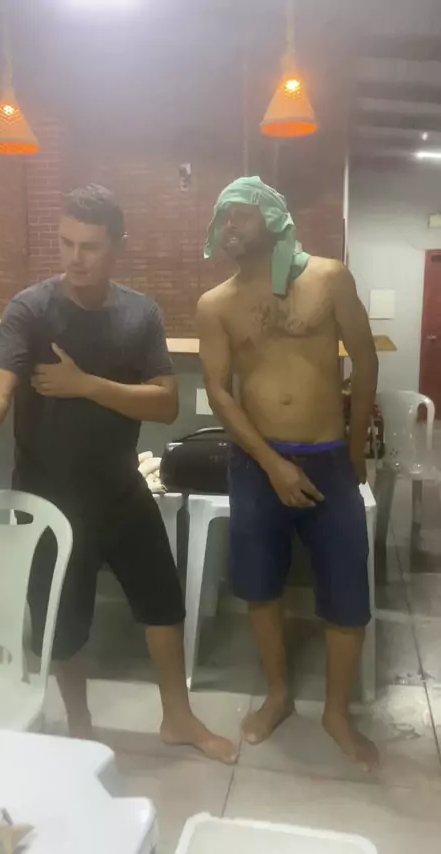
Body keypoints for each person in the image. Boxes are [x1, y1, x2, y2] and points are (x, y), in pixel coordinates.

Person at [0, 184, 237, 764]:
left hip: (120, 489)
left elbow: (165, 403)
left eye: (89, 246)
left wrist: (85, 385)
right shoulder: (31, 310)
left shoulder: (139, 313)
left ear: (118, 247)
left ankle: (178, 718)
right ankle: (81, 726)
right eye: (65, 243)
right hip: (51, 500)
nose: (74, 257)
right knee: (63, 628)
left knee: (163, 604)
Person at [197, 176, 379, 771]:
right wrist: (271, 463)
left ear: (273, 218)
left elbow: (366, 360)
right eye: (223, 217)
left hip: (328, 457)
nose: (229, 226)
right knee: (259, 585)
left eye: (241, 214)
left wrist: (356, 448)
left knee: (347, 590)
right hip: (256, 462)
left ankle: (336, 712)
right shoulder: (216, 303)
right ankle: (278, 694)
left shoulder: (329, 278)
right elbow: (220, 392)